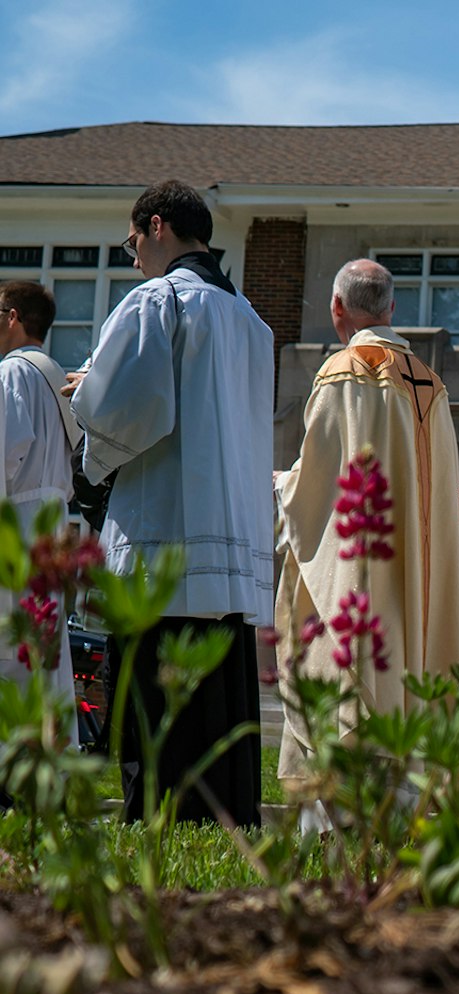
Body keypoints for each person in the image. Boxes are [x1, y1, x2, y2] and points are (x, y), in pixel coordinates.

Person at [71, 180, 274, 826]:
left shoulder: (160, 301)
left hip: (166, 534)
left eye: (133, 242)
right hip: (230, 544)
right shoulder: (250, 318)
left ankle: (164, 830)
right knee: (219, 707)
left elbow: (126, 413)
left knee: (157, 714)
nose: (133, 257)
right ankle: (225, 830)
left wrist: (86, 403)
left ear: (157, 226)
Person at [275, 260, 459, 796]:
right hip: (418, 576)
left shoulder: (345, 370)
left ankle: (340, 803)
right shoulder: (430, 383)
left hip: (363, 562)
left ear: (337, 308)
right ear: (392, 310)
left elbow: (318, 483)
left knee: (353, 661)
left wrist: (280, 486)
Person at [0, 282, 79, 710]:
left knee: (12, 647)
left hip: (16, 521)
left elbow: (6, 448)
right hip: (50, 521)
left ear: (12, 317)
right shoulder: (52, 373)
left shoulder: (12, 371)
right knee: (43, 643)